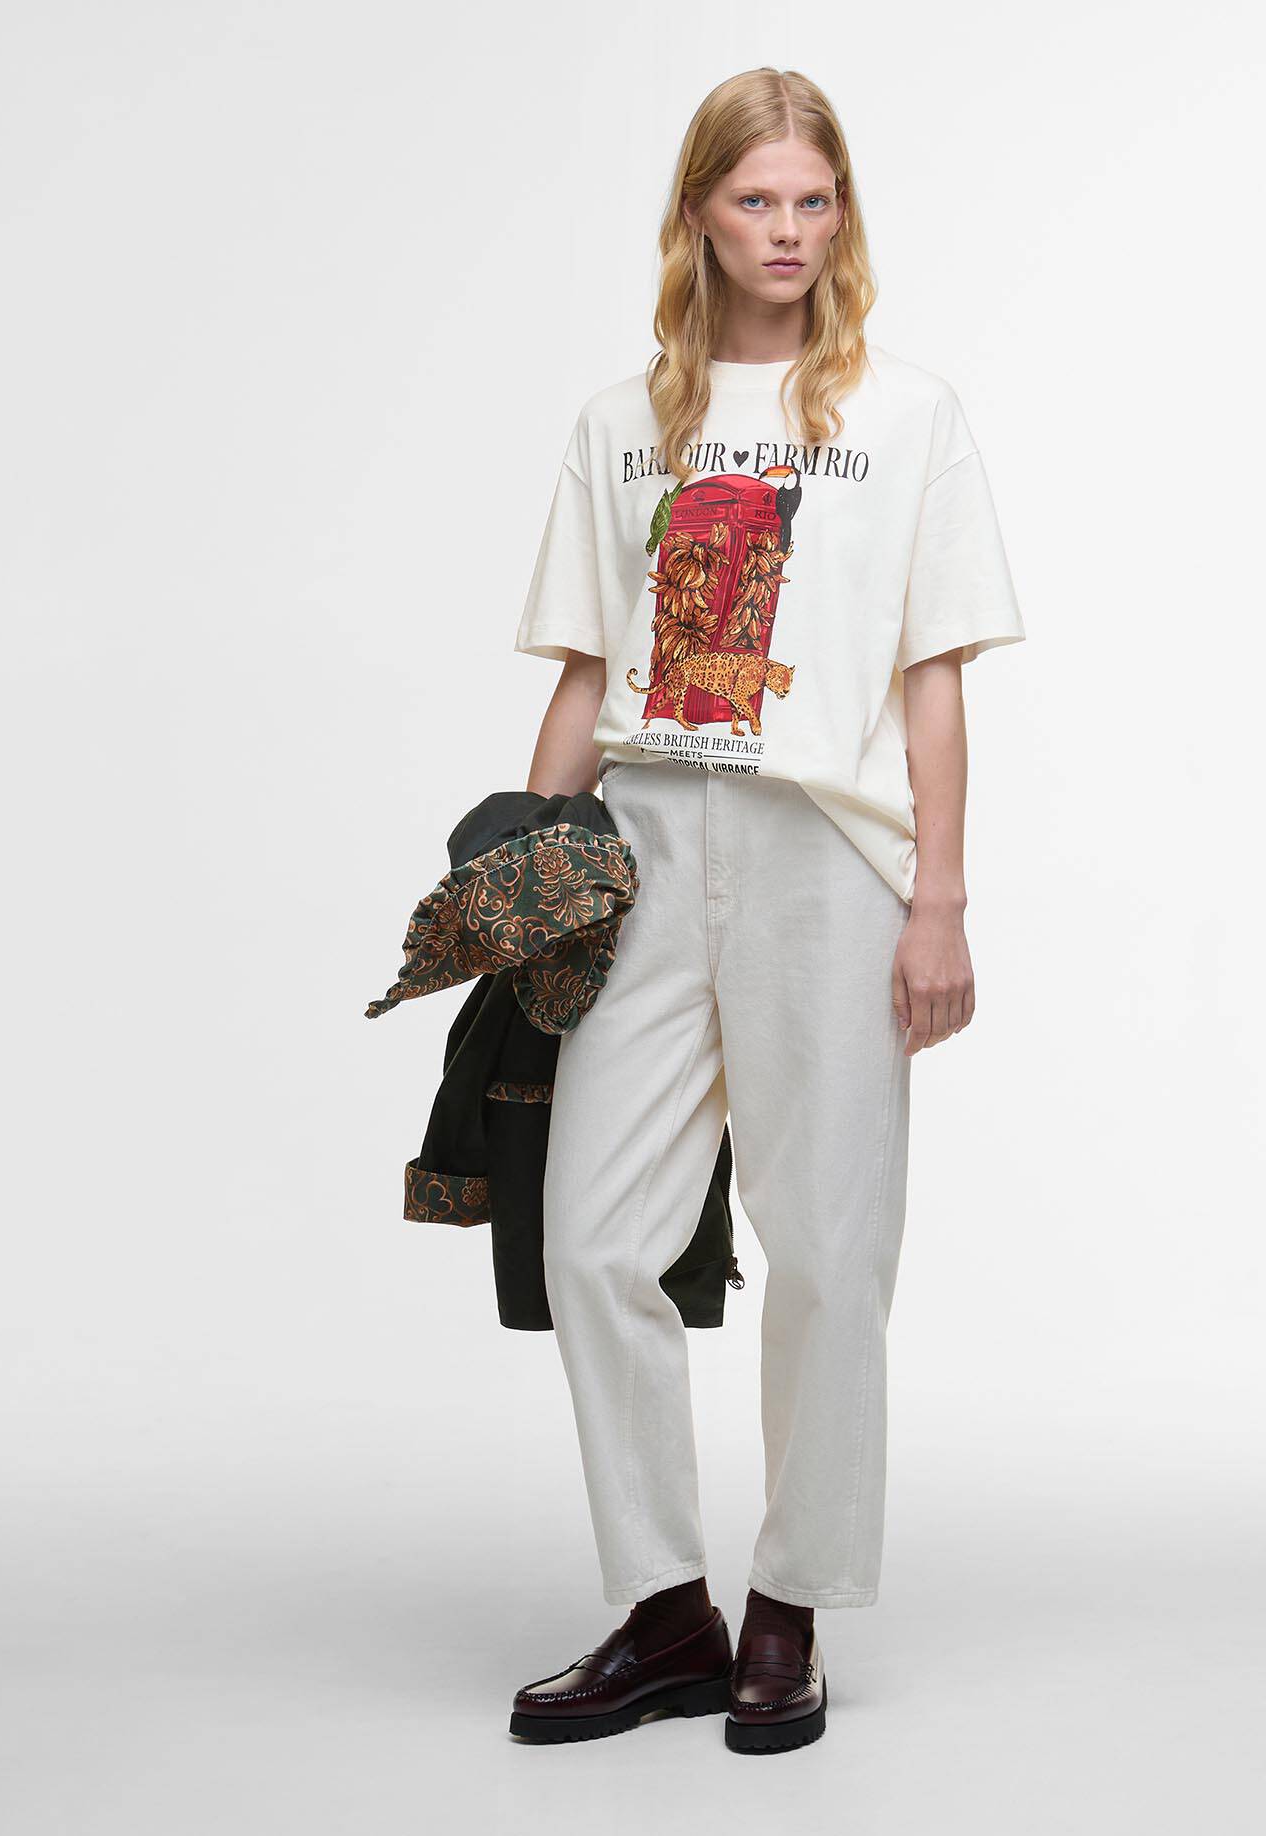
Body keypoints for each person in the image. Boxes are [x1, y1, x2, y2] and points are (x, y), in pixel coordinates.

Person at [506, 67, 1024, 1753]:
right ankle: (666, 1611)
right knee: (593, 1236)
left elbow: (934, 681)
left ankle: (789, 1603)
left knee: (830, 1246)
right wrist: (523, 876)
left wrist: (939, 900)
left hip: (826, 855)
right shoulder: (622, 425)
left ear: (840, 213)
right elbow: (588, 672)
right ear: (700, 216)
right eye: (756, 201)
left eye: (814, 201)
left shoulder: (907, 414)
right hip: (647, 842)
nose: (788, 232)